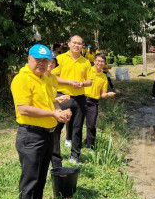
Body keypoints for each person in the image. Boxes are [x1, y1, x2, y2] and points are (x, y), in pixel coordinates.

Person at [10, 44, 70, 199]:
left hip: (47, 133)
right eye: (38, 60)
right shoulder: (21, 80)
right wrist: (52, 115)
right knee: (30, 175)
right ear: (29, 59)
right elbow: (24, 108)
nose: (41, 64)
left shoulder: (46, 79)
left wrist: (60, 112)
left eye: (45, 61)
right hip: (31, 134)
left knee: (42, 173)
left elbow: (53, 101)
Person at [52, 35, 93, 165]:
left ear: (82, 46)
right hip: (62, 97)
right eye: (74, 43)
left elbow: (90, 81)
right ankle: (54, 157)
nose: (76, 45)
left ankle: (75, 156)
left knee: (77, 128)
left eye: (79, 43)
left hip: (80, 98)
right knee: (56, 128)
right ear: (68, 44)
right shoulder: (60, 58)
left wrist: (82, 84)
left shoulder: (85, 62)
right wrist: (69, 82)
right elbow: (53, 76)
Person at [45, 51, 72, 168]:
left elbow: (52, 98)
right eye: (48, 61)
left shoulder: (53, 78)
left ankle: (57, 166)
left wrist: (60, 109)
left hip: (52, 114)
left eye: (53, 61)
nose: (50, 64)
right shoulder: (38, 78)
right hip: (41, 116)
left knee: (55, 136)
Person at [84, 54, 116, 149]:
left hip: (93, 102)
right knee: (77, 123)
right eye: (98, 61)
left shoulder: (104, 77)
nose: (100, 63)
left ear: (104, 63)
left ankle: (90, 146)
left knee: (91, 125)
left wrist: (108, 94)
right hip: (82, 99)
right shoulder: (87, 71)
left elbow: (102, 94)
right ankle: (73, 143)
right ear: (94, 61)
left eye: (102, 61)